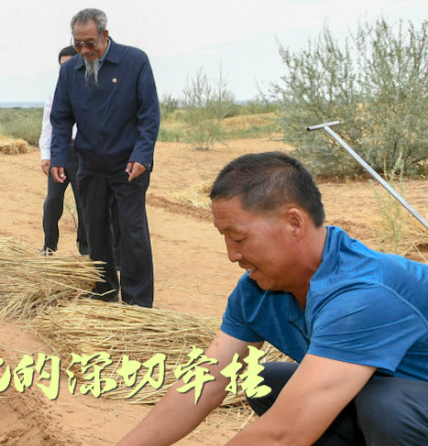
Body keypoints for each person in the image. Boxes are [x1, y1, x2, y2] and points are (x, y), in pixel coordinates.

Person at [117, 152, 428, 446]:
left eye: (238, 238)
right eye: (224, 238)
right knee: (265, 381)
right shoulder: (257, 290)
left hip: (405, 406)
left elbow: (285, 432)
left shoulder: (362, 295)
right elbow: (203, 384)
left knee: (387, 406)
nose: (231, 254)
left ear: (293, 223)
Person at [50, 8, 160, 306]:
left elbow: (149, 115)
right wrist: (58, 157)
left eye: (90, 43)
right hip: (89, 164)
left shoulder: (135, 61)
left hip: (129, 166)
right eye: (78, 44)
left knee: (132, 231)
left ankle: (138, 301)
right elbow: (60, 118)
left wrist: (142, 155)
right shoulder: (69, 70)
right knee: (95, 230)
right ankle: (104, 290)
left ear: (105, 35)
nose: (84, 50)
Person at [39, 46, 88, 256]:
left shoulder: (91, 90)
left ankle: (85, 248)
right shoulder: (55, 93)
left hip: (83, 153)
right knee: (52, 201)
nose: (65, 69)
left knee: (83, 203)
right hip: (60, 151)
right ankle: (49, 245)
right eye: (62, 66)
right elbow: (48, 125)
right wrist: (45, 155)